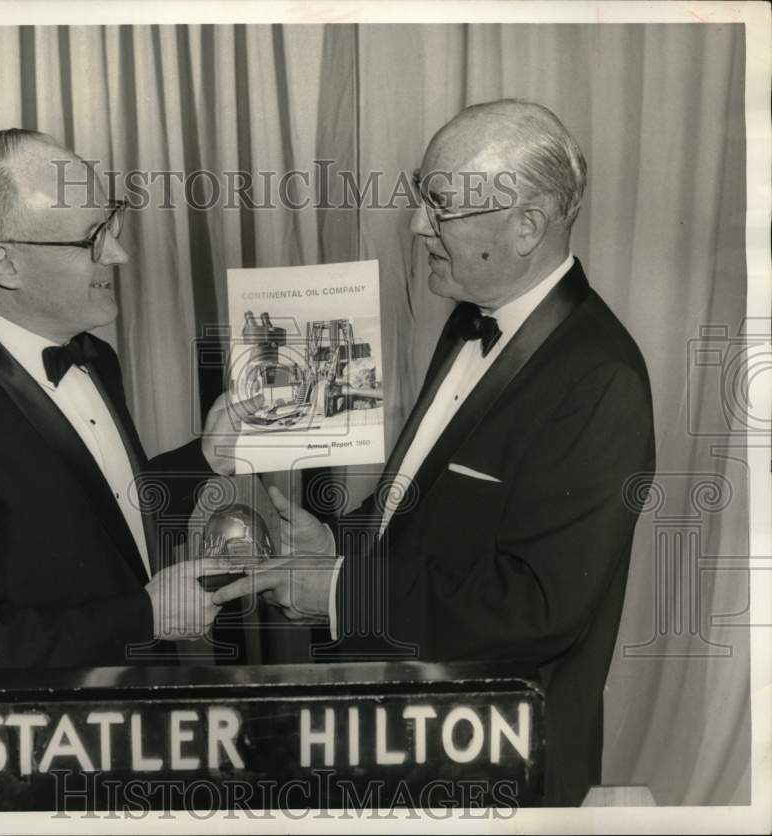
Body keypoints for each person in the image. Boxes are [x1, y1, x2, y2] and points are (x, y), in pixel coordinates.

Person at [214, 99, 656, 806]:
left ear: (527, 227)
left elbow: (538, 608)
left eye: (440, 205)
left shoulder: (599, 378)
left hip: (496, 770)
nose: (418, 225)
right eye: (423, 198)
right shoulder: (470, 322)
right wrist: (333, 541)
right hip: (409, 747)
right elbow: (424, 516)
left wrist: (336, 589)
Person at [0, 128, 230, 809]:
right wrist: (145, 615)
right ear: (5, 264)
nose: (119, 253)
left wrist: (205, 458)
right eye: (93, 236)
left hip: (120, 757)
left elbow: (97, 521)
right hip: (17, 786)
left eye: (113, 225)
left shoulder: (94, 357)